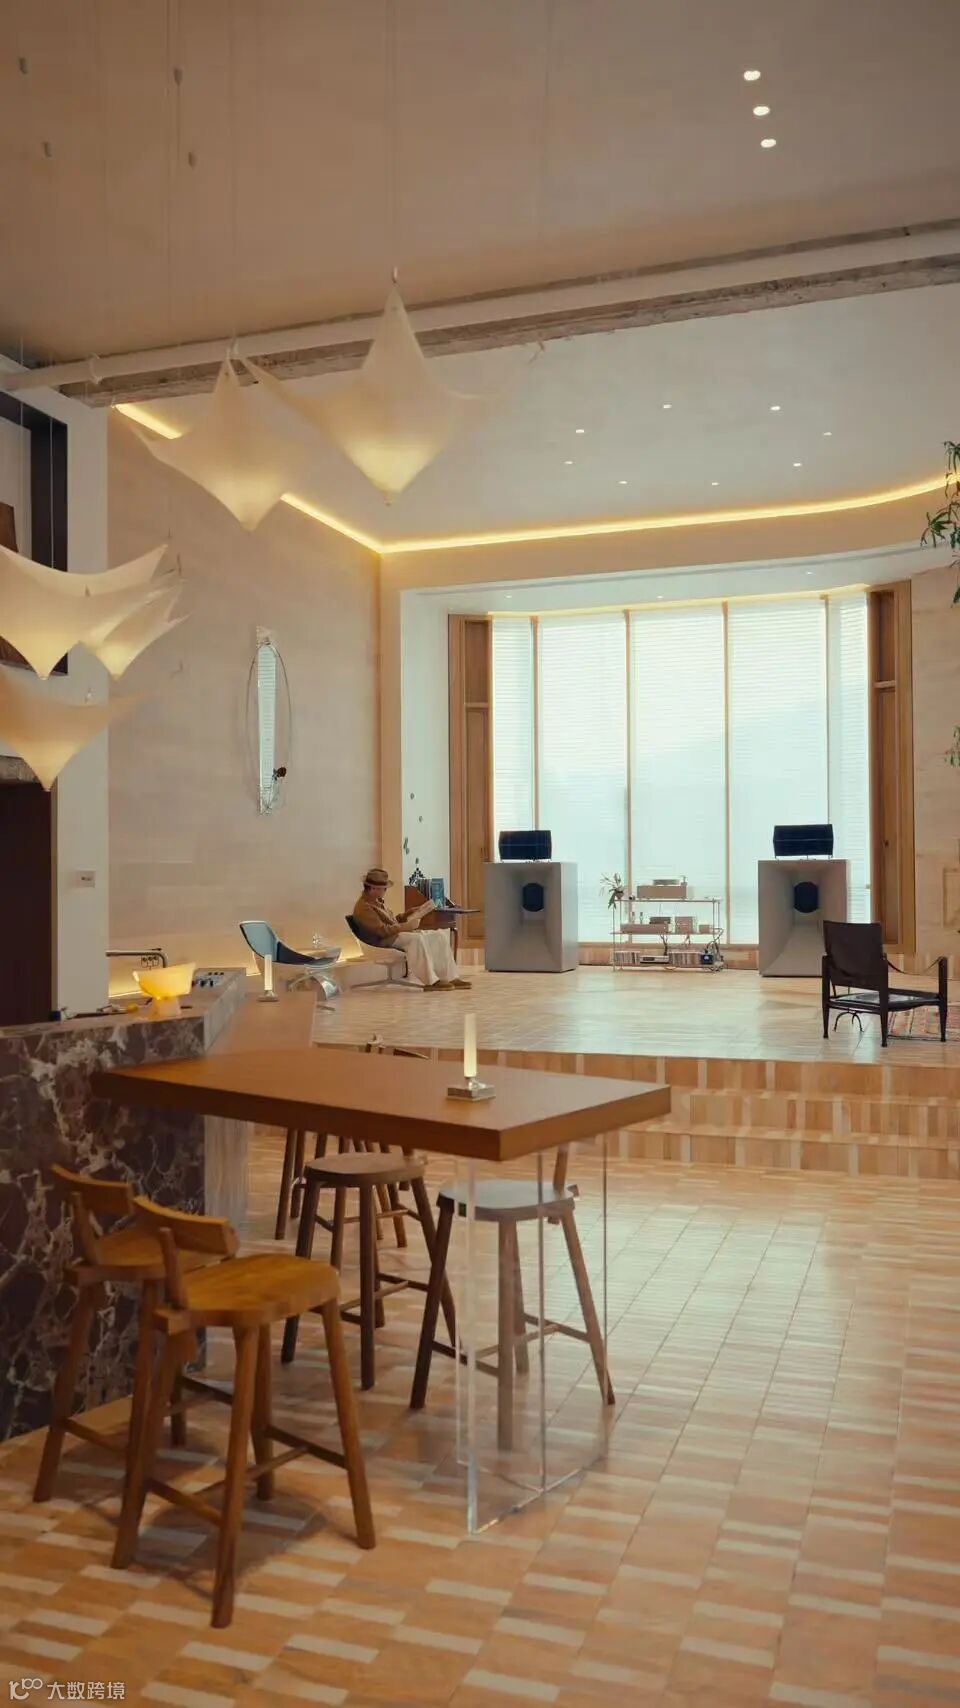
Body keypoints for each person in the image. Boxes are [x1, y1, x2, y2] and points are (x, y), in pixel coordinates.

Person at [352, 867, 471, 990]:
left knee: (438, 936)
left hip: (391, 936)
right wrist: (405, 927)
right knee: (415, 939)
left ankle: (450, 977)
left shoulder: (377, 902)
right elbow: (381, 931)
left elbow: (392, 922)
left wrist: (408, 914)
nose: (385, 891)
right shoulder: (364, 907)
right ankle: (431, 981)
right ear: (373, 888)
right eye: (384, 888)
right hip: (380, 941)